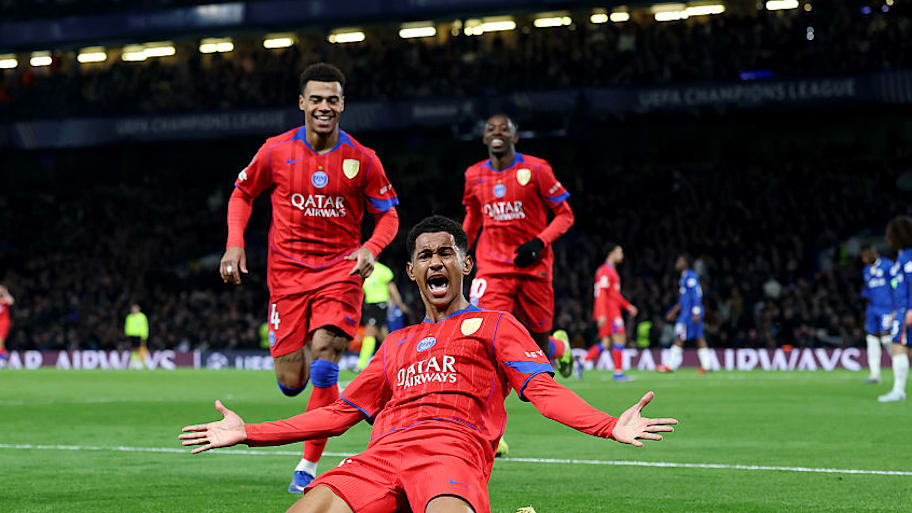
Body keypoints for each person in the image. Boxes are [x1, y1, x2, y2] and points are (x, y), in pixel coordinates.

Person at [181, 215, 678, 513]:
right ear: (413, 271)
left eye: (447, 253)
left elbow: (544, 392)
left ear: (466, 265)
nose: (436, 261)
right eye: (425, 255)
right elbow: (337, 415)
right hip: (378, 458)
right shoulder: (395, 343)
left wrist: (609, 425)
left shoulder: (497, 325)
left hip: (450, 457)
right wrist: (251, 432)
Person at [218, 62, 400, 492]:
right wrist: (234, 242)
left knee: (325, 359)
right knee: (291, 382)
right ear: (302, 102)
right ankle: (333, 397)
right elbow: (242, 193)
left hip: (340, 273)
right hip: (286, 277)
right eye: (315, 99)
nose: (324, 106)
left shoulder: (362, 160)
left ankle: (307, 467)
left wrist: (370, 249)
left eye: (332, 99)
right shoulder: (276, 151)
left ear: (342, 104)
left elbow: (388, 215)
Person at [462, 114, 575, 378]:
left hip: (534, 266)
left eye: (504, 129)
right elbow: (474, 216)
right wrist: (460, 247)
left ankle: (560, 348)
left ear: (515, 136)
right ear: (484, 138)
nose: (497, 132)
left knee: (539, 344)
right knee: (485, 329)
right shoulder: (474, 174)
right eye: (491, 129)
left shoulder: (537, 169)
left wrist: (539, 242)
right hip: (492, 268)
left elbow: (565, 215)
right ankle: (488, 392)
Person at [658, 254, 712, 373]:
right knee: (699, 337)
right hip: (688, 312)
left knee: (679, 336)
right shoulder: (684, 277)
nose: (677, 263)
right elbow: (683, 299)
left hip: (690, 313)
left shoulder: (691, 276)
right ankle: (707, 365)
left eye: (680, 261)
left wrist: (696, 311)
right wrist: (674, 311)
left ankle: (670, 365)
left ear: (686, 263)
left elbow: (697, 294)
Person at [592, 243, 638, 381]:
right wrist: (601, 313)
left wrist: (627, 306)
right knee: (620, 338)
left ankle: (582, 360)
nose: (621, 255)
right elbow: (601, 293)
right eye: (619, 252)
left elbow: (614, 295)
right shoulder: (604, 271)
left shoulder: (611, 271)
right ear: (611, 254)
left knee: (607, 342)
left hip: (612, 309)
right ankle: (618, 373)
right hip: (609, 311)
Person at [879, 216, 912, 402]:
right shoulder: (902, 257)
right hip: (902, 310)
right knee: (901, 347)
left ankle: (899, 391)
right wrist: (897, 310)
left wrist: (909, 310)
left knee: (898, 346)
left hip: (909, 310)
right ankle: (898, 390)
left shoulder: (908, 257)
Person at [358, 260, 410, 371]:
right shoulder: (363, 269)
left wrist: (400, 305)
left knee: (370, 331)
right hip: (369, 305)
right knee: (381, 332)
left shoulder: (383, 270)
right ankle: (396, 358)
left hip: (380, 304)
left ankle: (361, 365)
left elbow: (393, 289)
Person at [860, 245, 894, 384]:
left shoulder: (888, 265)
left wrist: (897, 306)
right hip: (872, 309)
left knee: (886, 339)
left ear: (873, 252)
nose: (864, 259)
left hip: (887, 308)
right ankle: (874, 375)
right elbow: (867, 289)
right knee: (871, 339)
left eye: (866, 256)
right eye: (862, 257)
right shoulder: (866, 270)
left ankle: (902, 360)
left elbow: (896, 285)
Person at [124, 303, 149, 370]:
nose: (134, 310)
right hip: (131, 335)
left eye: (135, 309)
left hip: (140, 335)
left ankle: (140, 362)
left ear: (138, 309)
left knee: (141, 348)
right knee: (133, 349)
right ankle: (133, 363)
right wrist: (127, 334)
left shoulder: (142, 317)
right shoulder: (129, 317)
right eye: (133, 309)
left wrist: (144, 336)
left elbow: (144, 326)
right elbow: (127, 326)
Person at [0, 285, 14, 361]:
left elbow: (11, 301)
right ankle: (4, 357)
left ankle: (2, 360)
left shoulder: (4, 300)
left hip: (4, 323)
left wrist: (5, 292)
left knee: (0, 341)